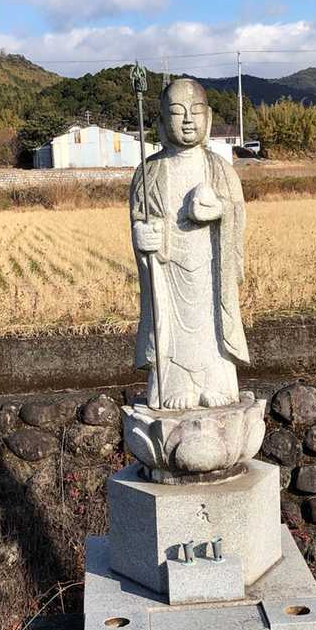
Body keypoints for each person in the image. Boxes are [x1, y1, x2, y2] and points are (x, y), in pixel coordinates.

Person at [129, 78, 249, 410]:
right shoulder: (148, 172)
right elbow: (139, 220)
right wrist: (142, 237)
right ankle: (176, 381)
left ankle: (215, 380)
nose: (186, 120)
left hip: (210, 267)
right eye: (176, 112)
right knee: (169, 325)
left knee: (211, 325)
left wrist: (221, 211)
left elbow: (237, 213)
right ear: (161, 122)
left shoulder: (220, 169)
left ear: (208, 119)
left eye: (195, 111)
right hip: (168, 269)